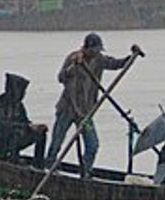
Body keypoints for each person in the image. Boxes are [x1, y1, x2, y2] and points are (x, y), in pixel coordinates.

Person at [46, 32, 142, 178]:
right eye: (94, 50)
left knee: (92, 145)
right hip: (67, 108)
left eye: (98, 50)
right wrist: (74, 67)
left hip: (86, 113)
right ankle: (49, 169)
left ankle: (85, 172)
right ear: (87, 48)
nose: (96, 53)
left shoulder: (99, 60)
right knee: (57, 142)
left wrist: (132, 57)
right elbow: (61, 77)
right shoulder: (73, 58)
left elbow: (116, 64)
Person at [0, 73, 48, 166]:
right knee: (15, 132)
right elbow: (2, 125)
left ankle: (38, 164)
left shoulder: (18, 105)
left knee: (40, 133)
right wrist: (27, 126)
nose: (23, 94)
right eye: (21, 91)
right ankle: (12, 161)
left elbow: (24, 121)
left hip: (9, 138)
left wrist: (34, 127)